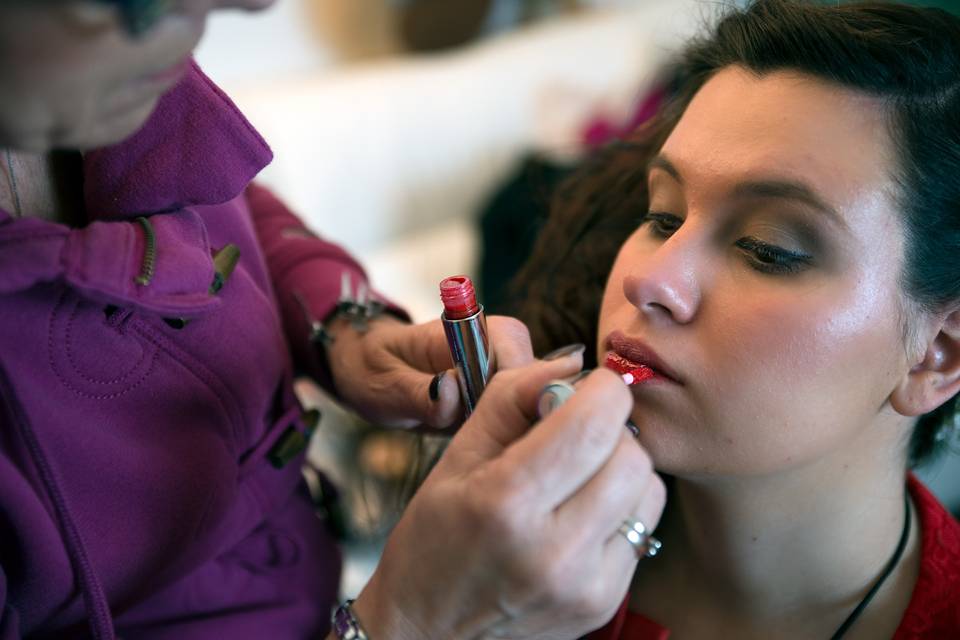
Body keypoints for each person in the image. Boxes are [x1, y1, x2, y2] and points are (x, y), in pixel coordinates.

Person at [0, 1, 667, 639]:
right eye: (662, 219)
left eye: (763, 247)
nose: (254, 5)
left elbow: (225, 206)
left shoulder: (104, 89)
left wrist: (347, 328)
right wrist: (412, 619)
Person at [511, 0, 960, 637]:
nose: (649, 278)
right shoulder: (506, 572)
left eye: (767, 248)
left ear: (938, 353)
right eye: (662, 216)